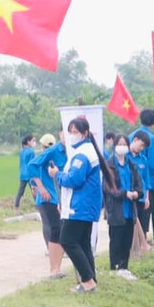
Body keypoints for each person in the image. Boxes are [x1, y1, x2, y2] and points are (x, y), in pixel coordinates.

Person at [53, 116, 104, 293]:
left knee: (67, 240)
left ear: (84, 134)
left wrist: (57, 174)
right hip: (84, 205)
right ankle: (91, 280)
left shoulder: (83, 154)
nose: (72, 135)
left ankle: (88, 280)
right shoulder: (85, 151)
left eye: (75, 132)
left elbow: (74, 179)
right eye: (70, 132)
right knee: (82, 243)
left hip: (80, 206)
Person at [27, 132, 67, 278]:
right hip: (49, 198)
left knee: (63, 231)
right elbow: (31, 166)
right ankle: (54, 269)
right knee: (56, 229)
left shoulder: (74, 151)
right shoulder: (52, 151)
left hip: (63, 199)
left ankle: (58, 267)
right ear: (61, 134)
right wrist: (40, 187)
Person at [104, 133, 142, 277]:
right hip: (116, 209)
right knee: (116, 240)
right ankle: (114, 268)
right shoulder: (109, 165)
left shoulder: (131, 165)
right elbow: (108, 188)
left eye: (124, 144)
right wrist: (124, 193)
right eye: (119, 144)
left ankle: (124, 267)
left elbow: (139, 184)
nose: (122, 147)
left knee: (127, 240)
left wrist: (137, 194)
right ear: (114, 145)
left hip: (129, 209)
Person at [132, 110, 154, 235]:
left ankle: (138, 239)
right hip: (144, 181)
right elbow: (153, 163)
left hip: (134, 184)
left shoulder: (132, 135)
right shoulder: (151, 138)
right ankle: (142, 238)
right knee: (145, 210)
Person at [14, 134, 35, 210]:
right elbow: (32, 164)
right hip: (29, 174)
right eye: (33, 141)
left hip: (22, 173)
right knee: (34, 190)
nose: (34, 142)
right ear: (28, 142)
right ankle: (39, 207)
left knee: (20, 192)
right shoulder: (31, 152)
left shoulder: (21, 151)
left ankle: (16, 207)